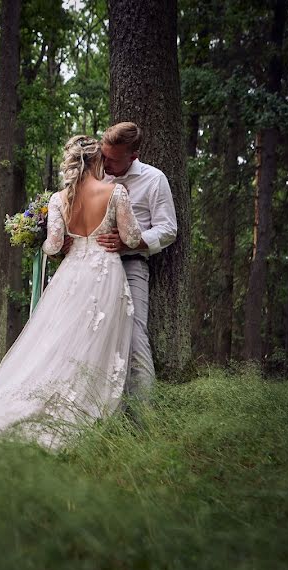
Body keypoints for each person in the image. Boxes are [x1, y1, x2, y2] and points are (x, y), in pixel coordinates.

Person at [0, 135, 143, 450]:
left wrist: (58, 241)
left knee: (60, 340)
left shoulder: (58, 200)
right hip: (106, 275)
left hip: (72, 275)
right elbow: (132, 239)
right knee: (96, 342)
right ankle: (90, 404)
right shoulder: (116, 192)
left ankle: (50, 397)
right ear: (97, 161)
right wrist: (114, 232)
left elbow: (51, 246)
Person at [97, 122, 177, 401]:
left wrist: (131, 241)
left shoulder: (154, 179)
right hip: (92, 268)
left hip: (132, 265)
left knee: (134, 334)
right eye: (104, 155)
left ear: (133, 156)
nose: (105, 163)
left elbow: (168, 229)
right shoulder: (98, 176)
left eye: (112, 159)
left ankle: (142, 412)